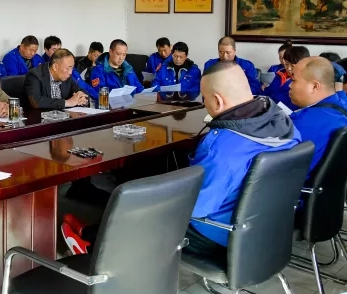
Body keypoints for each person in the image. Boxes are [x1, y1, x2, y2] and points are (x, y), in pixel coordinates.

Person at [60, 61, 301, 255]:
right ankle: (93, 233)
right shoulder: (283, 124)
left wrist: (160, 195)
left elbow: (195, 208)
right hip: (266, 226)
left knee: (140, 200)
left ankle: (93, 246)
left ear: (217, 101)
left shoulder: (224, 148)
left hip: (220, 234)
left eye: (205, 98)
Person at [289, 57, 347, 175]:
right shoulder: (343, 109)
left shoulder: (303, 122)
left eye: (294, 80)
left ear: (314, 86)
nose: (289, 85)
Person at [24, 48, 89, 109]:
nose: (70, 72)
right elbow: (36, 101)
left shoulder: (67, 76)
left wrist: (82, 97)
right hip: (40, 116)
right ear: (55, 67)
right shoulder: (34, 75)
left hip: (64, 115)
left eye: (72, 67)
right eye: (67, 68)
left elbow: (81, 90)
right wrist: (67, 102)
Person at [263, 46, 310, 111]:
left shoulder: (306, 83)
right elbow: (268, 93)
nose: (289, 68)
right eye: (287, 64)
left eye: (293, 66)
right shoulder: (280, 74)